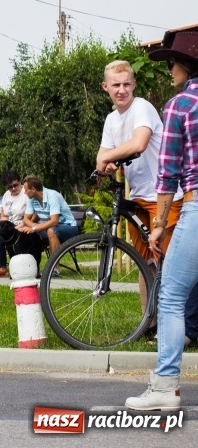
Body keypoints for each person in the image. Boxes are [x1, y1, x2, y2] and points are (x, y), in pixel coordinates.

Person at [126, 31, 198, 411]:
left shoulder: (180, 105)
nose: (169, 69)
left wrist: (159, 224)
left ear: (186, 65)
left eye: (172, 62)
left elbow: (167, 175)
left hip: (196, 205)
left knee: (170, 295)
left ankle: (165, 387)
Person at [95, 59, 183, 337]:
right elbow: (103, 156)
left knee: (167, 262)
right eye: (115, 85)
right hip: (138, 198)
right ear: (105, 87)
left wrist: (107, 158)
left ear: (133, 85)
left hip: (165, 195)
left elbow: (139, 143)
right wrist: (106, 163)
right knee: (145, 264)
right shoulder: (111, 120)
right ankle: (150, 324)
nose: (121, 90)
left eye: (126, 84)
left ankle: (178, 327)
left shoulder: (142, 107)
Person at [16, 175, 78, 277]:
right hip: (48, 227)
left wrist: (34, 228)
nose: (24, 192)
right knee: (27, 234)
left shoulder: (52, 196)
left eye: (26, 190)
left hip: (69, 228)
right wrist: (33, 227)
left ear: (33, 189)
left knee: (51, 230)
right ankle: (31, 269)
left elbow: (54, 221)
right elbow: (26, 219)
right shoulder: (32, 199)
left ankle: (55, 270)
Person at [0, 170, 29, 278]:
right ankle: (2, 268)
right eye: (10, 187)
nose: (13, 188)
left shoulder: (26, 193)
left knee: (17, 239)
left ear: (20, 182)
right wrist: (5, 225)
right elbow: (3, 214)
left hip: (23, 225)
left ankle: (19, 268)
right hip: (9, 227)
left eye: (15, 185)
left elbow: (30, 216)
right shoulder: (6, 195)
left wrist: (17, 227)